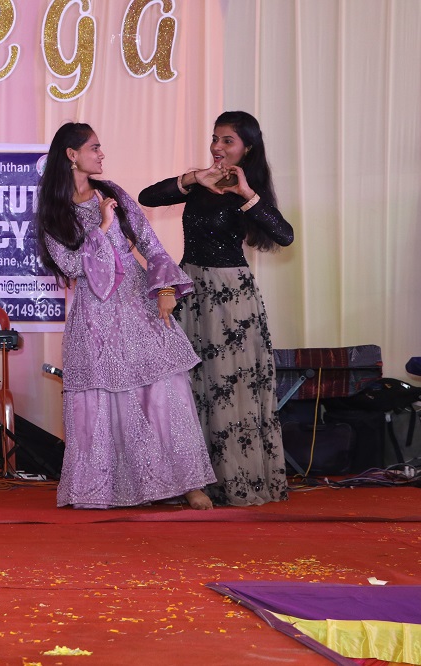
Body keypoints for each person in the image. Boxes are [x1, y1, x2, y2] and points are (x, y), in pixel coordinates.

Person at [35, 122, 216, 510]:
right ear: (72, 155)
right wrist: (101, 228)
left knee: (165, 389)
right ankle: (114, 487)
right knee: (104, 398)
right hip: (94, 314)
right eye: (94, 147)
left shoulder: (113, 193)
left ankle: (187, 483)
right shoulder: (54, 212)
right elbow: (70, 266)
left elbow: (150, 243)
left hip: (136, 301)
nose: (101, 154)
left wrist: (165, 289)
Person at [139, 111, 294, 506]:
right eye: (215, 138)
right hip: (191, 291)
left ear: (247, 148)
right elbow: (147, 197)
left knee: (229, 385)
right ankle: (193, 480)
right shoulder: (200, 184)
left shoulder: (248, 191)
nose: (217, 147)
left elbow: (284, 235)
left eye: (228, 140)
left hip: (231, 299)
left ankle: (235, 480)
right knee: (190, 385)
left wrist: (247, 195)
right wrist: (194, 177)